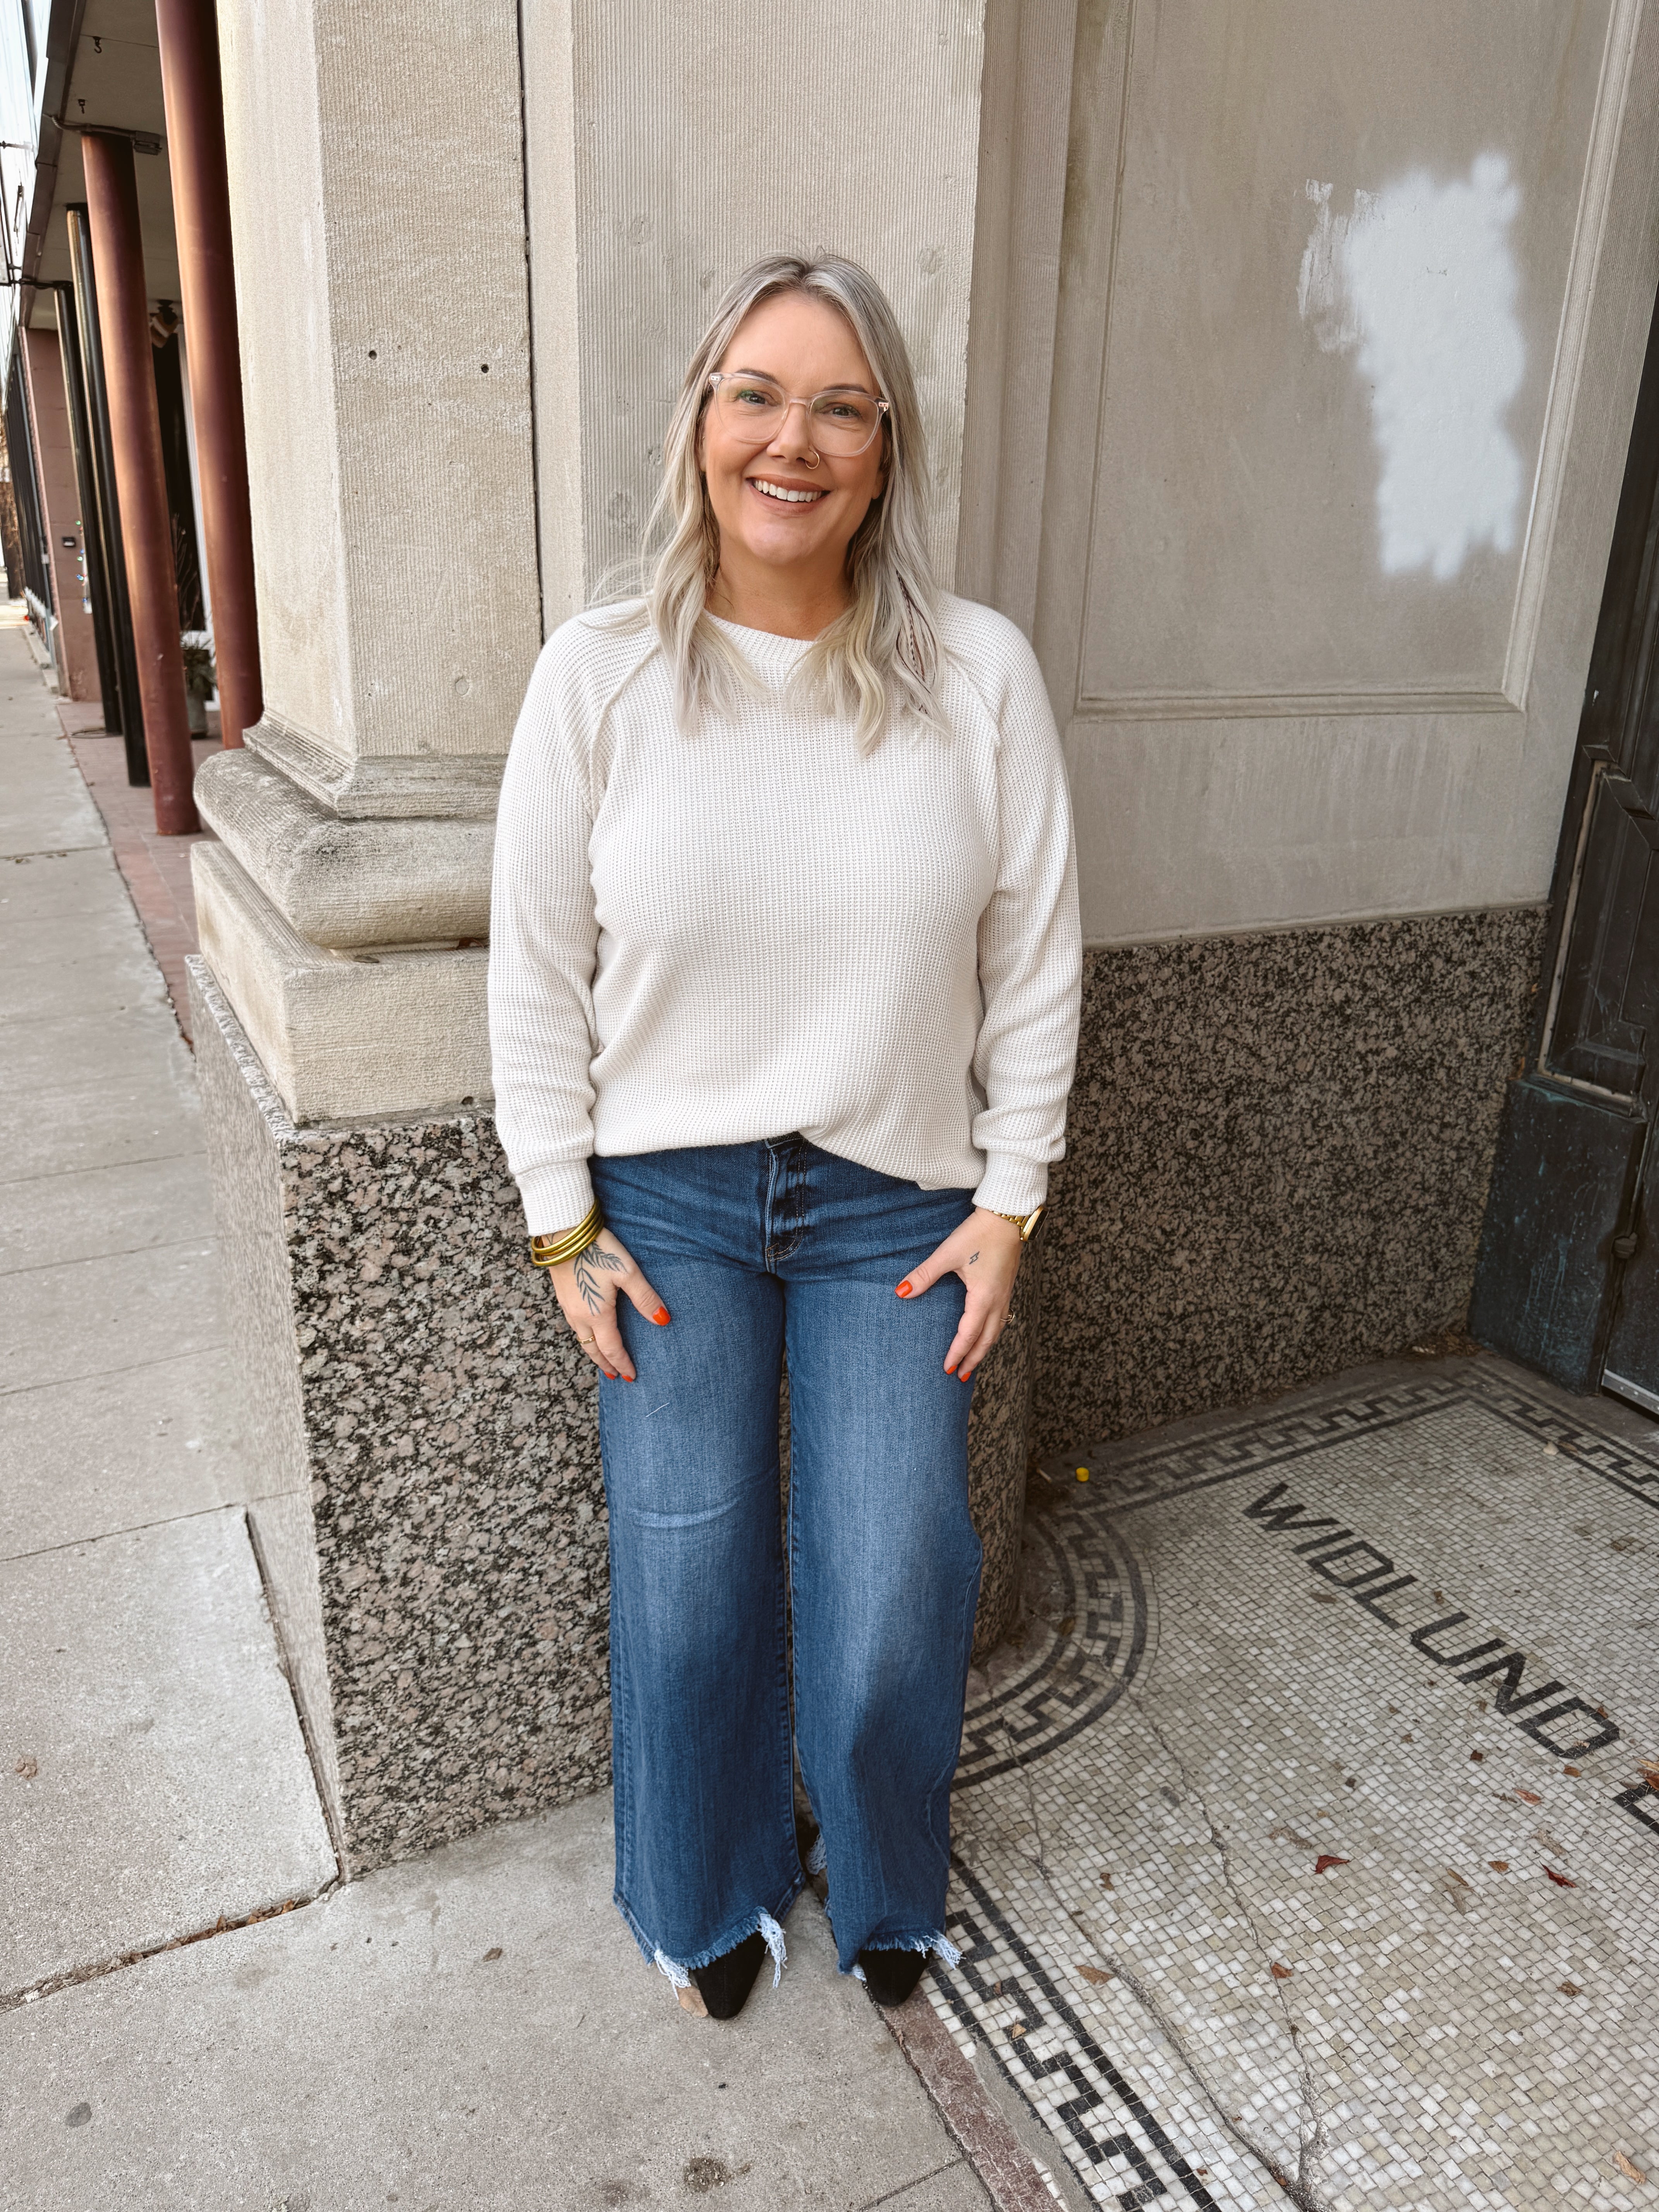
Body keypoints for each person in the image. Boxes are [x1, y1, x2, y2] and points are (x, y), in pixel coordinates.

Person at [488, 254, 1080, 2021]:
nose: (791, 440)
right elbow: (534, 967)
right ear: (700, 422)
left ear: (887, 450)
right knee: (685, 1590)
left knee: (900, 1581)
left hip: (899, 1200)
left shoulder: (975, 675)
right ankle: (709, 1890)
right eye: (755, 392)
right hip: (662, 1204)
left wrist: (1014, 1203)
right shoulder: (598, 678)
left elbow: (1036, 952)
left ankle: (889, 1881)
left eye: (838, 404)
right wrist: (558, 1222)